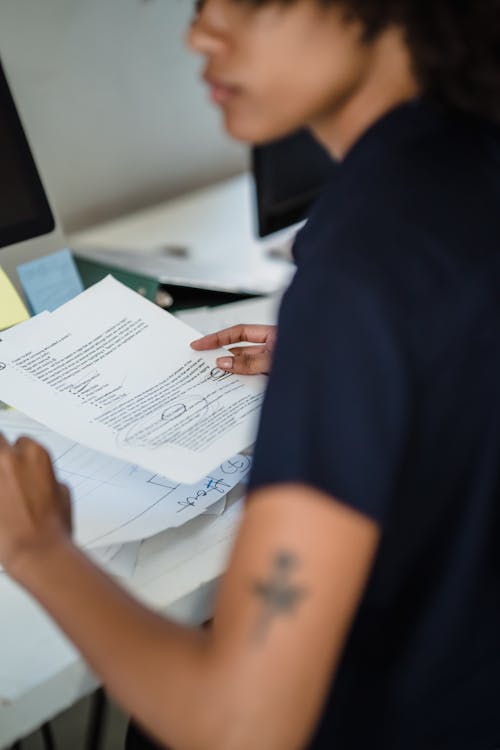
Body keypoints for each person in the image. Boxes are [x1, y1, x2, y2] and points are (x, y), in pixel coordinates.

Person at [1, 1, 500, 748]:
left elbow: (242, 726)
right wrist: (352, 365)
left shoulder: (363, 268)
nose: (200, 32)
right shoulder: (463, 170)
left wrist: (39, 549)